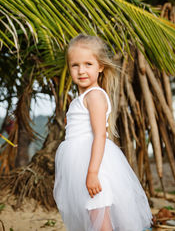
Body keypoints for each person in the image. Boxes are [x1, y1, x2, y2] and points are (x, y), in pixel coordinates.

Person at [53, 34, 153, 231]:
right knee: (93, 214)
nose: (81, 70)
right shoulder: (83, 97)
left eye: (88, 64)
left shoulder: (95, 96)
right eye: (75, 65)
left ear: (100, 67)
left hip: (94, 164)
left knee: (98, 212)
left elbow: (99, 135)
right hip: (80, 163)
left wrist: (92, 172)